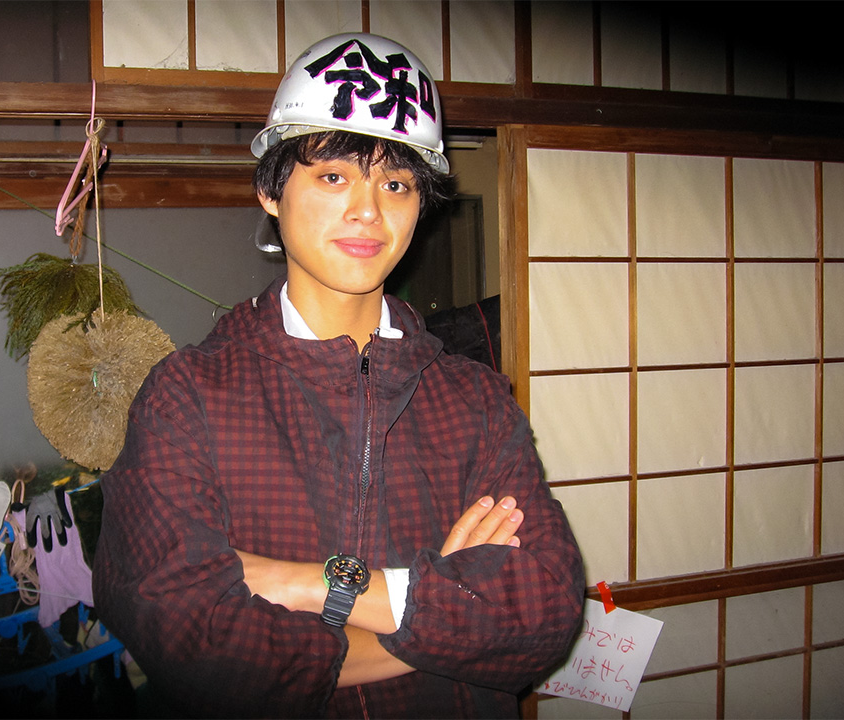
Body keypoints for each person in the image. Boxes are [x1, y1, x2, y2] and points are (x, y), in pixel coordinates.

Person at [93, 32, 584, 719]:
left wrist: (310, 585)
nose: (368, 211)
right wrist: (443, 617)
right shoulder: (187, 398)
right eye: (333, 176)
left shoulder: (473, 398)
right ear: (271, 190)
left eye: (396, 184)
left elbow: (544, 610)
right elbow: (192, 643)